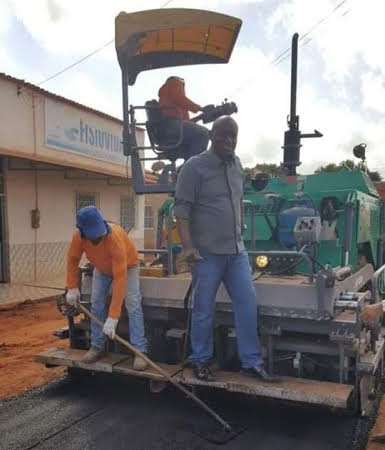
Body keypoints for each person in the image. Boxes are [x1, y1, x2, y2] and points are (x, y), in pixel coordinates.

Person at [174, 115, 277, 382]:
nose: (229, 140)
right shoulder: (194, 168)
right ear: (211, 136)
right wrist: (188, 248)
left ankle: (251, 361)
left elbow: (238, 198)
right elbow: (181, 211)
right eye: (223, 135)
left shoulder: (237, 165)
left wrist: (240, 224)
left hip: (236, 252)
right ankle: (200, 359)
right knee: (203, 309)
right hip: (206, 254)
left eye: (233, 136)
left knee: (247, 303)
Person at [66, 206, 148, 370]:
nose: (99, 238)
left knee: (132, 302)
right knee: (96, 302)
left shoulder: (114, 238)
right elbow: (73, 259)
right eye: (94, 236)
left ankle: (140, 350)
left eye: (100, 233)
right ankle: (97, 346)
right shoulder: (78, 237)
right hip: (102, 268)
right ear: (82, 232)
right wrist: (72, 287)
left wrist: (113, 317)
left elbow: (119, 279)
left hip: (128, 267)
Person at [158, 76, 210, 161]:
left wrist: (199, 117)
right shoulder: (175, 82)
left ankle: (185, 168)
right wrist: (200, 108)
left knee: (196, 136)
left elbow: (184, 122)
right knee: (204, 133)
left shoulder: (168, 102)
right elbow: (178, 98)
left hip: (170, 126)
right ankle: (194, 167)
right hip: (171, 125)